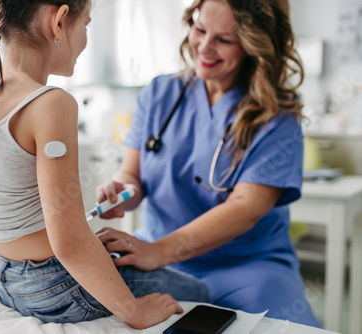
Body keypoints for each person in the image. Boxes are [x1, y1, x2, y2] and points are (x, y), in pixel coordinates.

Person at [0, 0, 208, 329]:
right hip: (53, 285)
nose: (85, 38)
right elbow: (69, 243)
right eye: (85, 24)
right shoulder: (51, 103)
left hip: (3, 276)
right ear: (59, 22)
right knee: (198, 290)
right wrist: (135, 312)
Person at [95, 0, 321, 328]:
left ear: (254, 45)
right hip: (161, 261)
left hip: (246, 267)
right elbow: (133, 173)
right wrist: (123, 190)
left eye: (224, 40)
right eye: (199, 29)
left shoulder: (277, 116)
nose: (204, 46)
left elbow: (246, 207)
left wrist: (158, 251)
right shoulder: (160, 93)